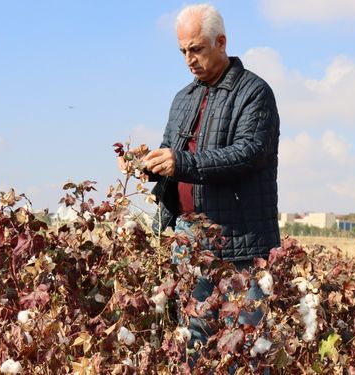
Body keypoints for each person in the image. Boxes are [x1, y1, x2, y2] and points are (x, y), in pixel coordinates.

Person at [127, 2, 280, 361]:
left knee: (245, 346)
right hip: (189, 239)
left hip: (240, 243)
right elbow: (171, 155)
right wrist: (146, 165)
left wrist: (180, 161)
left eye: (196, 48)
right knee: (194, 341)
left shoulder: (254, 93)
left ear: (221, 42)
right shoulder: (183, 99)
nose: (188, 59)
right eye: (182, 51)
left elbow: (248, 153)